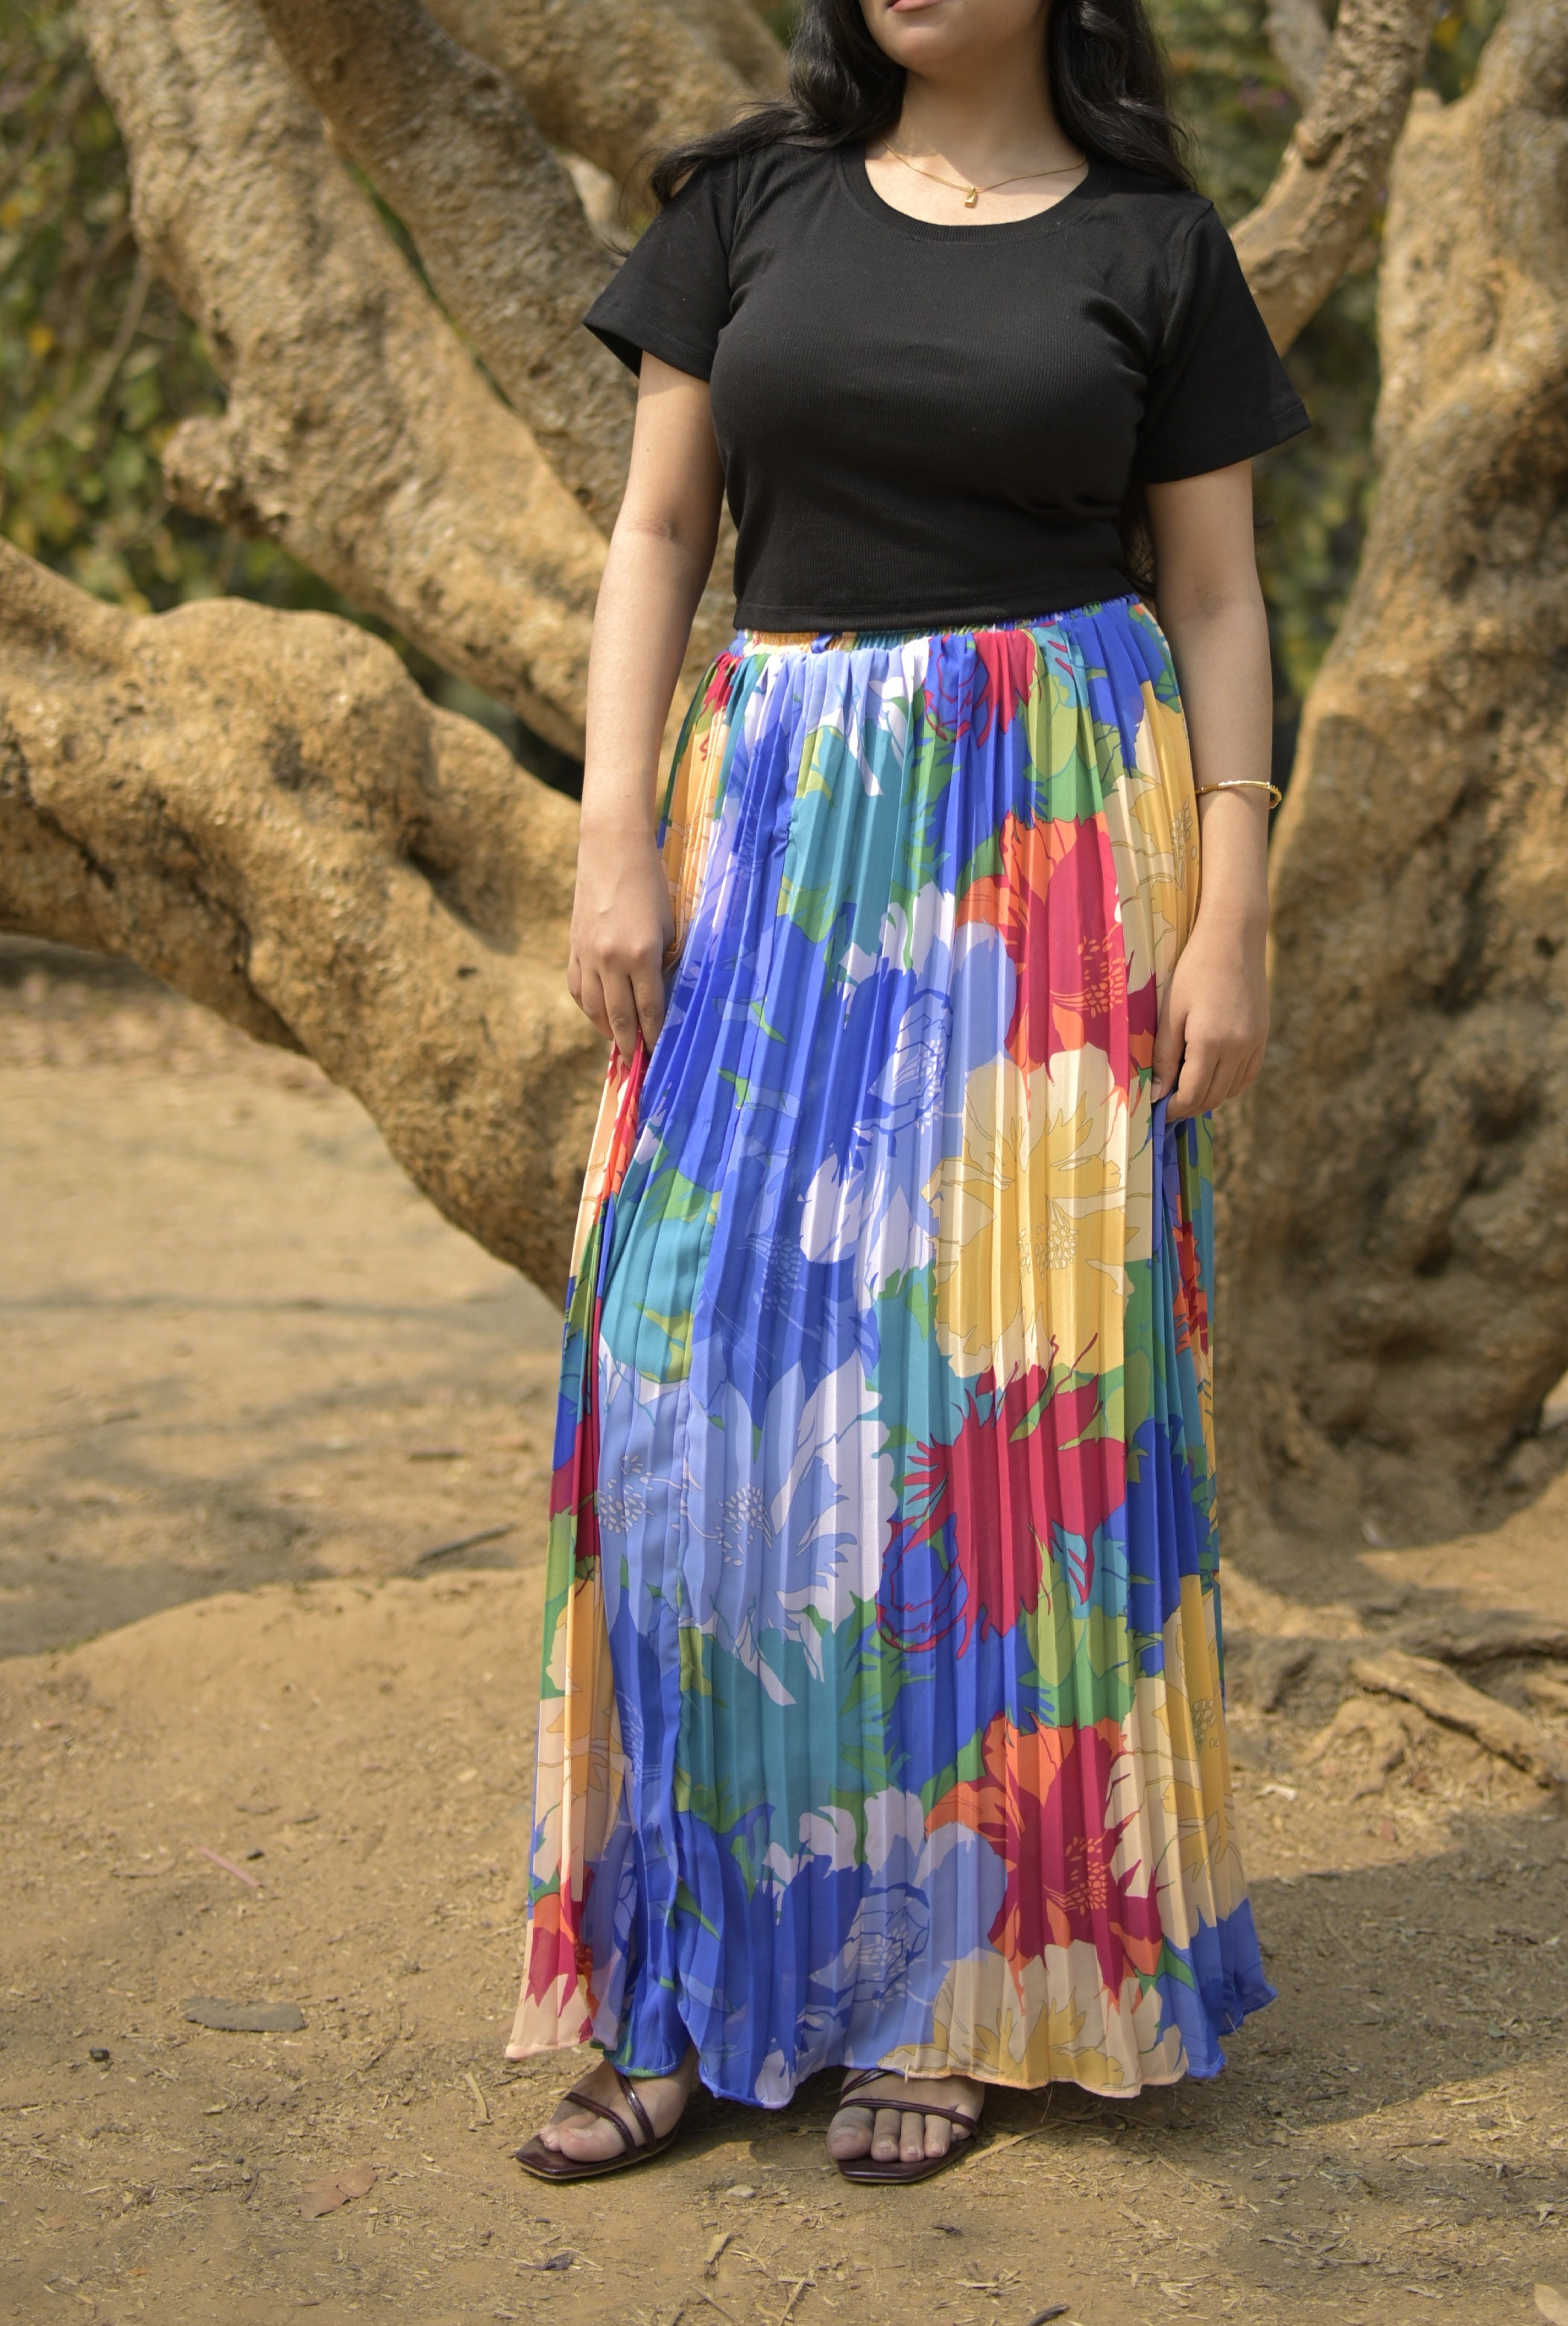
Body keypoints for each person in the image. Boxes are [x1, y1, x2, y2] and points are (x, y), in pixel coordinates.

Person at [508, 0, 1306, 2189]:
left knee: (992, 1433)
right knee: (682, 1384)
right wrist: (609, 835)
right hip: (772, 824)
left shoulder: (1155, 243)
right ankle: (683, 1980)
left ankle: (958, 1982)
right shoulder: (746, 204)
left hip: (1049, 845)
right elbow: (659, 534)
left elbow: (1218, 589)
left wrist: (1233, 906)